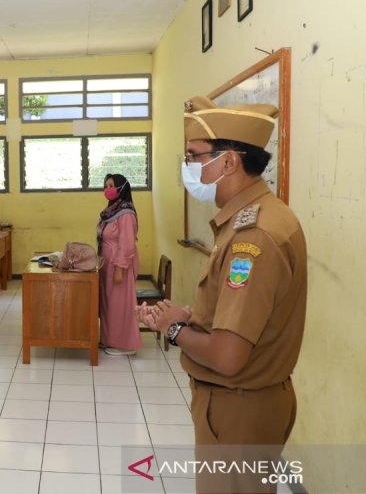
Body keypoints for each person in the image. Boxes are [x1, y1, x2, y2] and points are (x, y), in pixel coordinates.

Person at [140, 95, 307, 493]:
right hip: (245, 405)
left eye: (194, 156)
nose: (188, 167)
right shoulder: (257, 218)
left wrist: (173, 330)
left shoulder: (253, 237)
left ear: (229, 161)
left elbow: (229, 356)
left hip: (238, 408)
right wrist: (189, 317)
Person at [97, 173, 142, 356]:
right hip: (107, 264)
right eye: (105, 185)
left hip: (118, 265)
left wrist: (119, 269)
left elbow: (127, 244)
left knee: (120, 305)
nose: (107, 189)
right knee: (109, 304)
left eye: (111, 185)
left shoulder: (126, 214)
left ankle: (126, 345)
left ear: (121, 189)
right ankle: (109, 339)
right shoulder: (112, 211)